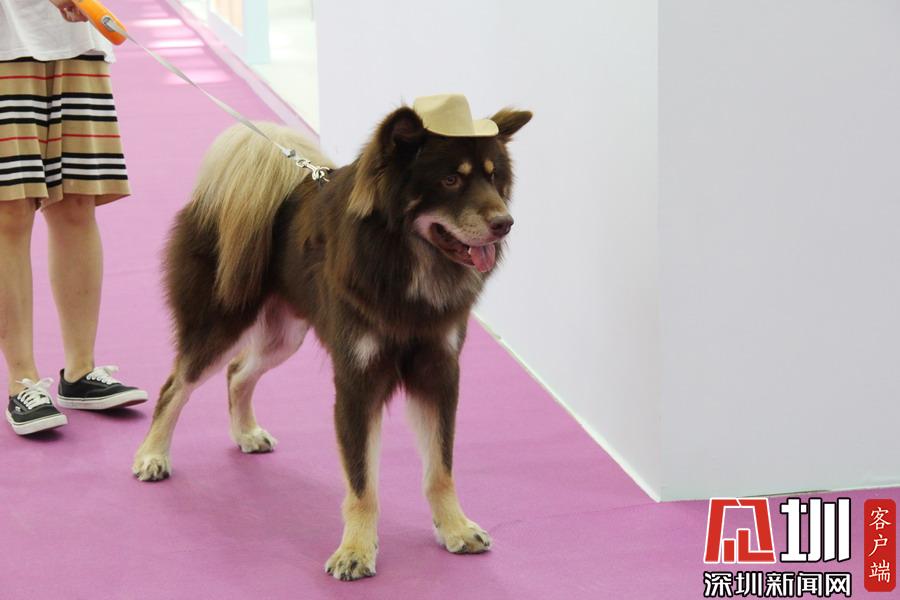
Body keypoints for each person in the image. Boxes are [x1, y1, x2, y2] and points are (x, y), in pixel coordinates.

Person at [0, 0, 146, 435]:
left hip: (76, 42)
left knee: (78, 200)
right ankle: (22, 380)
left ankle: (80, 372)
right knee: (10, 208)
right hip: (6, 40)